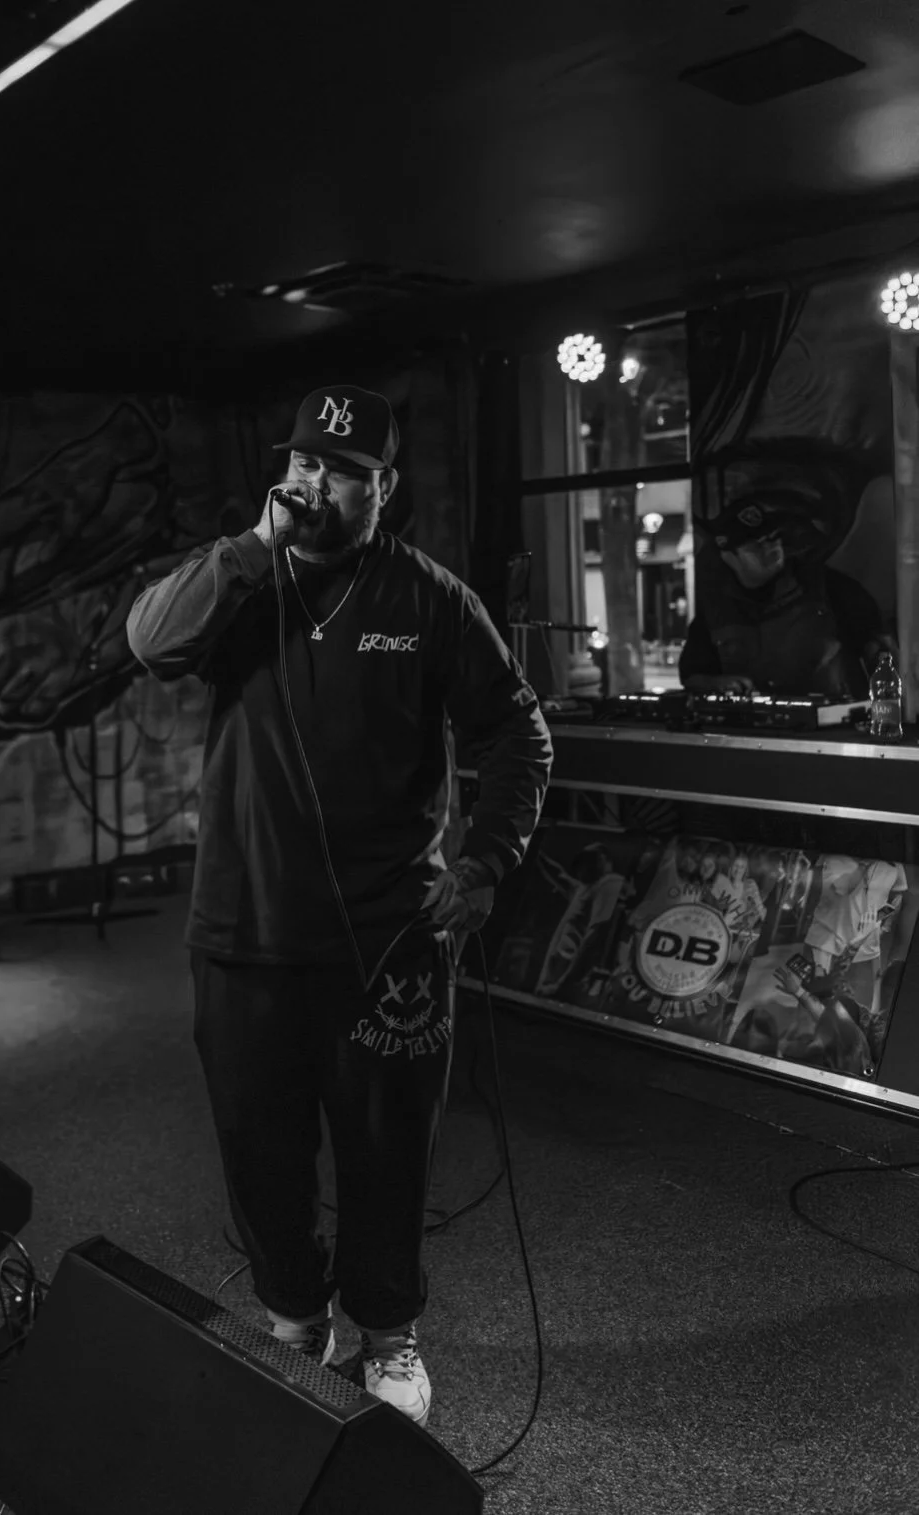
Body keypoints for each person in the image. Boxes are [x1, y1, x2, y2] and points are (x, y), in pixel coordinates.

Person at [126, 383, 553, 1428]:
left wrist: (487, 865)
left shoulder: (430, 600)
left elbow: (518, 738)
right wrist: (249, 547)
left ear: (384, 488)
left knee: (384, 1151)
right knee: (257, 1144)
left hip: (389, 941)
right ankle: (291, 1313)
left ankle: (389, 1338)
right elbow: (149, 643)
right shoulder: (239, 583)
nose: (317, 483)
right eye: (307, 462)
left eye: (343, 471)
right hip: (243, 934)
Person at [679, 493, 888, 698]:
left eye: (773, 538)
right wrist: (717, 684)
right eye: (755, 545)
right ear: (729, 557)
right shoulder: (716, 609)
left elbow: (882, 656)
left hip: (834, 726)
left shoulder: (828, 588)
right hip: (749, 728)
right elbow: (691, 676)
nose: (769, 548)